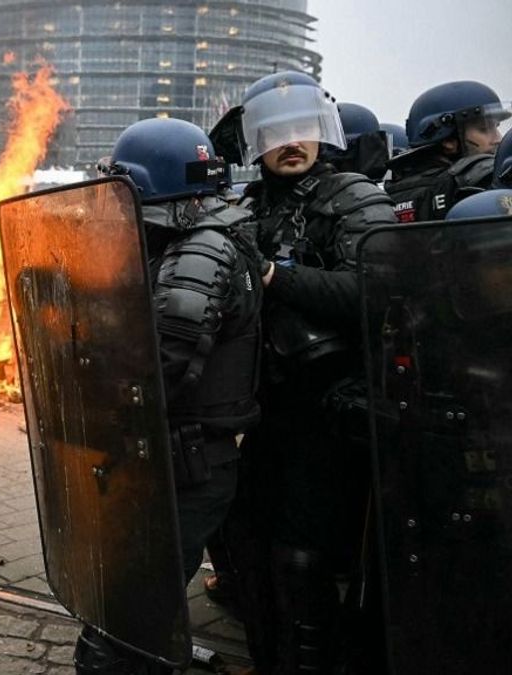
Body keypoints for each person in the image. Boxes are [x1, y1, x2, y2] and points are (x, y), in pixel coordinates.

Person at [212, 71, 397, 674]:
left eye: (302, 130)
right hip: (263, 408)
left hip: (330, 408)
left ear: (322, 133)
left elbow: (380, 289)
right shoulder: (246, 208)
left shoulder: (354, 196)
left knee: (302, 558)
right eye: (275, 133)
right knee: (246, 547)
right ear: (255, 142)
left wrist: (275, 277)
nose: (291, 143)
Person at [75, 118, 264, 674]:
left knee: (131, 607)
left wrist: (101, 400)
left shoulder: (201, 250)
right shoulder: (190, 239)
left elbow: (164, 362)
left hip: (184, 456)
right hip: (182, 450)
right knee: (141, 597)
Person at [385, 81, 509, 222]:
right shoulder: (483, 175)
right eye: (484, 129)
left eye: (496, 127)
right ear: (449, 141)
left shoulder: (390, 191)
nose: (498, 138)